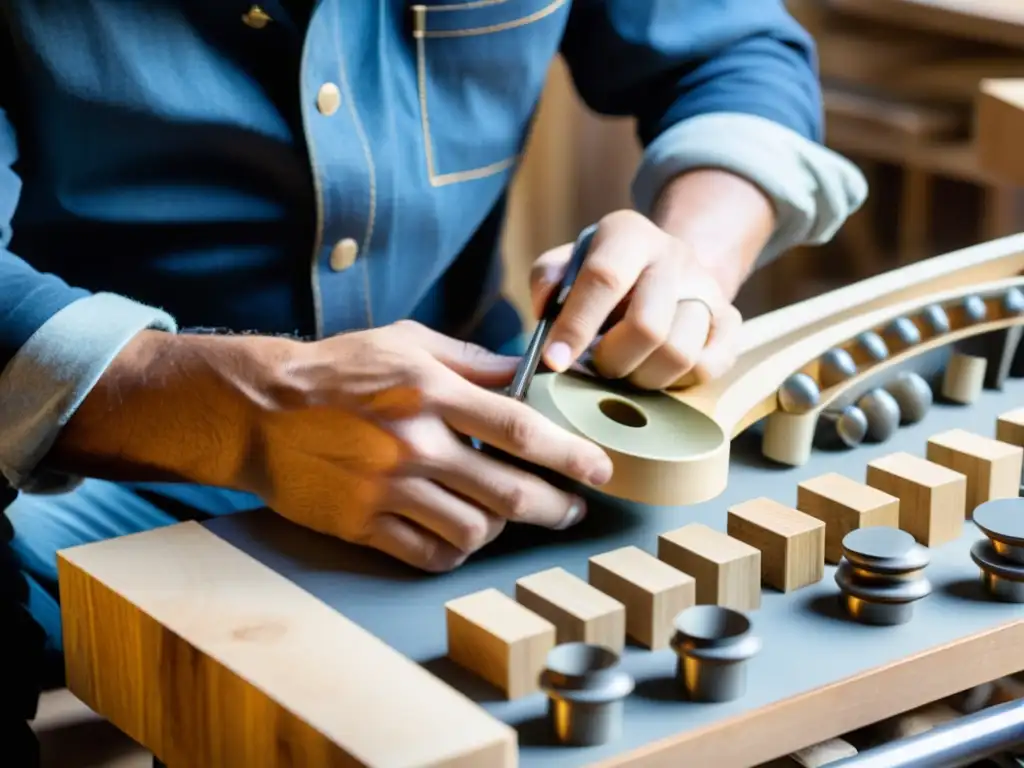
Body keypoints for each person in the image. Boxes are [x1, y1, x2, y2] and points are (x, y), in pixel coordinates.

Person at [0, 0, 865, 759]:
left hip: (479, 425)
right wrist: (247, 421)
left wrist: (691, 267)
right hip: (85, 462)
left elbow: (736, 52)